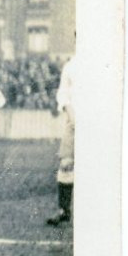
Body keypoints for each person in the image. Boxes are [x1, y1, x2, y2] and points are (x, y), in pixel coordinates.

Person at [47, 55, 75, 226]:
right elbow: (63, 93)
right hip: (74, 123)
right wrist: (71, 114)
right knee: (65, 164)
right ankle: (64, 210)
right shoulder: (71, 66)